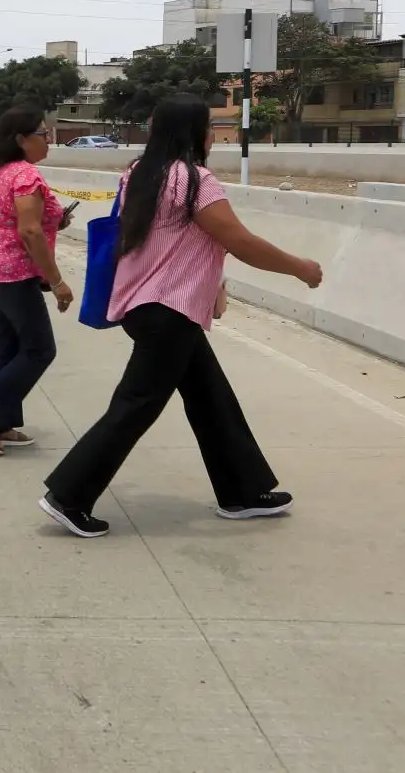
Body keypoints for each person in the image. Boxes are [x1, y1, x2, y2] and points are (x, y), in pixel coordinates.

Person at [39, 93, 324, 538]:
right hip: (167, 311)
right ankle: (69, 495)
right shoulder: (194, 180)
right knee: (136, 404)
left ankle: (242, 491)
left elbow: (182, 242)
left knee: (211, 399)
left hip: (149, 305)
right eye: (209, 126)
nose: (212, 134)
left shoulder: (139, 173)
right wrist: (300, 268)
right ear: (194, 132)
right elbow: (239, 241)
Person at [0, 106, 72, 453]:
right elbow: (29, 230)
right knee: (40, 349)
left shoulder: (3, 173)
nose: (49, 140)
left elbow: (21, 219)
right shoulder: (25, 175)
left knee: (7, 347)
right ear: (22, 139)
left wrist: (57, 220)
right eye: (43, 133)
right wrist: (57, 281)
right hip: (13, 274)